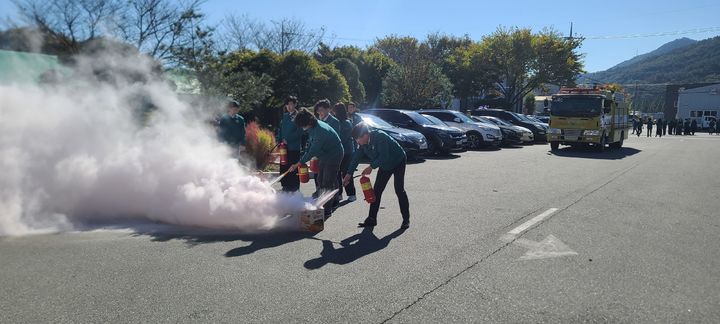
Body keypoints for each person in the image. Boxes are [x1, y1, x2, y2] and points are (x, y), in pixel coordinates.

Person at [343, 122, 410, 229]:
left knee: (399, 189)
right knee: (376, 191)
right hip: (384, 165)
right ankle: (372, 219)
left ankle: (406, 219)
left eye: (357, 139)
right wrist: (348, 174)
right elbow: (355, 158)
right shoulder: (363, 144)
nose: (357, 142)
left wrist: (371, 167)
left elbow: (384, 156)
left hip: (398, 161)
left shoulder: (380, 136)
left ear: (365, 135)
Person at [289, 108, 344, 217]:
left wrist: (298, 163)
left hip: (334, 155)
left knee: (327, 182)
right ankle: (334, 198)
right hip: (324, 154)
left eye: (303, 126)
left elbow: (313, 150)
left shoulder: (320, 131)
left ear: (308, 122)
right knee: (320, 179)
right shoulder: (313, 127)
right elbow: (310, 145)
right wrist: (301, 158)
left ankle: (326, 210)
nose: (303, 128)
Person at [277, 96, 304, 192]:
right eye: (287, 104)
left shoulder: (299, 116)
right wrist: (279, 140)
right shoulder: (285, 116)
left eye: (291, 104)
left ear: (295, 104)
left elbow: (300, 132)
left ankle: (294, 189)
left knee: (293, 168)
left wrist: (288, 140)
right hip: (284, 147)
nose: (289, 106)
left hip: (294, 147)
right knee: (283, 167)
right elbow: (280, 129)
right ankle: (285, 187)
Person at [333, 102, 357, 202]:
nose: (333, 113)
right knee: (337, 173)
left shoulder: (347, 123)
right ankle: (339, 194)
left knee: (346, 173)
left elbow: (343, 138)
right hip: (338, 152)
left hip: (347, 152)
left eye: (335, 111)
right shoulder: (336, 122)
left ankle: (351, 193)